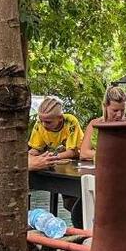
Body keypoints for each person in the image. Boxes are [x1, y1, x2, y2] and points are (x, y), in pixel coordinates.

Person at [28, 96, 85, 226]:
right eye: (41, 121)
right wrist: (29, 156)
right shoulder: (40, 125)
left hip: (76, 166)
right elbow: (36, 148)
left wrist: (52, 156)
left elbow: (72, 152)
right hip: (57, 165)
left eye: (48, 122)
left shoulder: (70, 122)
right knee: (69, 203)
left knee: (72, 203)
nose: (44, 125)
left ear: (60, 118)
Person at [79, 86, 126, 160]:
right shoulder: (95, 125)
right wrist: (111, 155)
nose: (119, 115)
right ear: (105, 106)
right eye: (115, 110)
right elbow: (84, 153)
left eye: (122, 110)